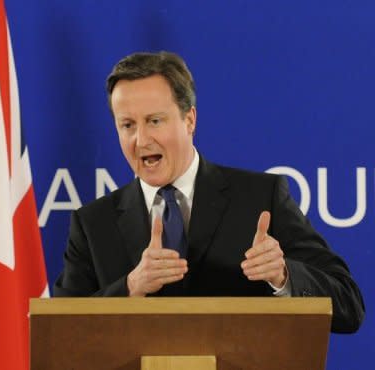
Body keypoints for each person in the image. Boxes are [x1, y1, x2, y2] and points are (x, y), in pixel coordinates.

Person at [53, 51, 364, 333]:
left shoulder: (259, 197)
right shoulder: (93, 223)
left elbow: (349, 306)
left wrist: (283, 275)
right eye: (127, 125)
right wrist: (131, 286)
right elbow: (61, 332)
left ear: (189, 120)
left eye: (154, 121)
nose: (140, 139)